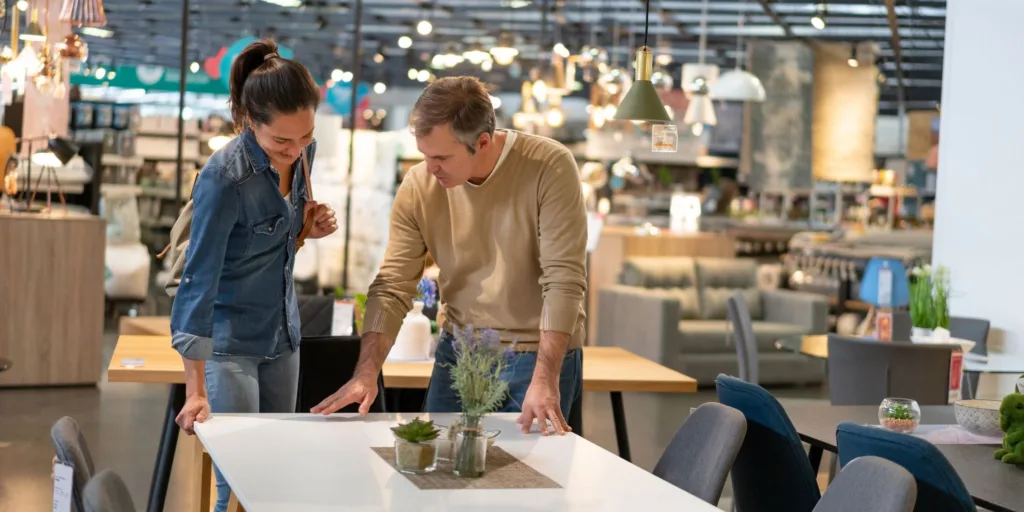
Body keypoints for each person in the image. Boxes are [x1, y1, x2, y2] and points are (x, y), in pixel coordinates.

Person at [313, 76, 587, 436]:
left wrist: (545, 377)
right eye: (425, 155)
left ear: (483, 142)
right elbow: (393, 285)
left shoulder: (548, 166)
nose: (430, 168)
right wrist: (365, 373)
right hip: (459, 352)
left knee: (527, 483)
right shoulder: (419, 185)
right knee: (435, 472)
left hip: (538, 356)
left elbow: (563, 280)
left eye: (441, 157)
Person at [169, 38, 337, 512]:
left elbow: (271, 248)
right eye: (281, 140)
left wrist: (304, 231)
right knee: (238, 483)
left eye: (304, 137)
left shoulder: (302, 153)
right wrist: (196, 388)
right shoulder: (225, 177)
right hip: (230, 346)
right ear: (249, 121)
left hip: (283, 337)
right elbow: (198, 279)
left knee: (275, 474)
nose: (294, 149)